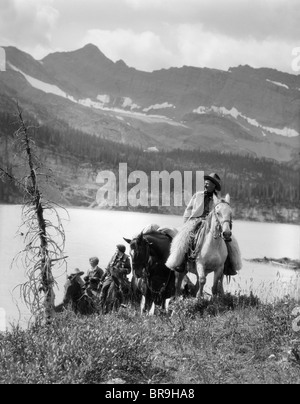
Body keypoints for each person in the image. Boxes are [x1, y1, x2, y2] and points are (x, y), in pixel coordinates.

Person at [165, 173, 221, 271]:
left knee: (228, 240)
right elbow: (188, 210)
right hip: (195, 221)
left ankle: (229, 265)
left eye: (208, 183)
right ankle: (178, 262)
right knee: (183, 239)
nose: (206, 185)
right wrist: (185, 224)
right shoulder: (197, 195)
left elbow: (220, 215)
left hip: (210, 224)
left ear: (214, 186)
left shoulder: (218, 200)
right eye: (205, 183)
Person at [99, 244, 131, 311]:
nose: (116, 250)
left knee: (121, 290)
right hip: (111, 277)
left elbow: (129, 270)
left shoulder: (126, 259)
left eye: (117, 249)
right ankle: (101, 305)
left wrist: (120, 270)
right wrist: (102, 279)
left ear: (120, 250)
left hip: (120, 278)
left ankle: (123, 303)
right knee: (104, 288)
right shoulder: (113, 256)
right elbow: (108, 268)